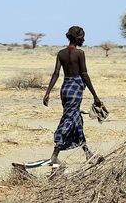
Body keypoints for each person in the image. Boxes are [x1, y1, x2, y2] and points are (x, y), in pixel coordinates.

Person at [43, 26, 103, 165]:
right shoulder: (80, 53)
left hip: (65, 89)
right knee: (68, 120)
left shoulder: (61, 53)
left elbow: (56, 73)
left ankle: (88, 153)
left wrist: (47, 92)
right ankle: (54, 154)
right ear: (77, 38)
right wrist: (95, 96)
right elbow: (84, 75)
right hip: (75, 89)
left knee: (77, 121)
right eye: (82, 36)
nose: (84, 39)